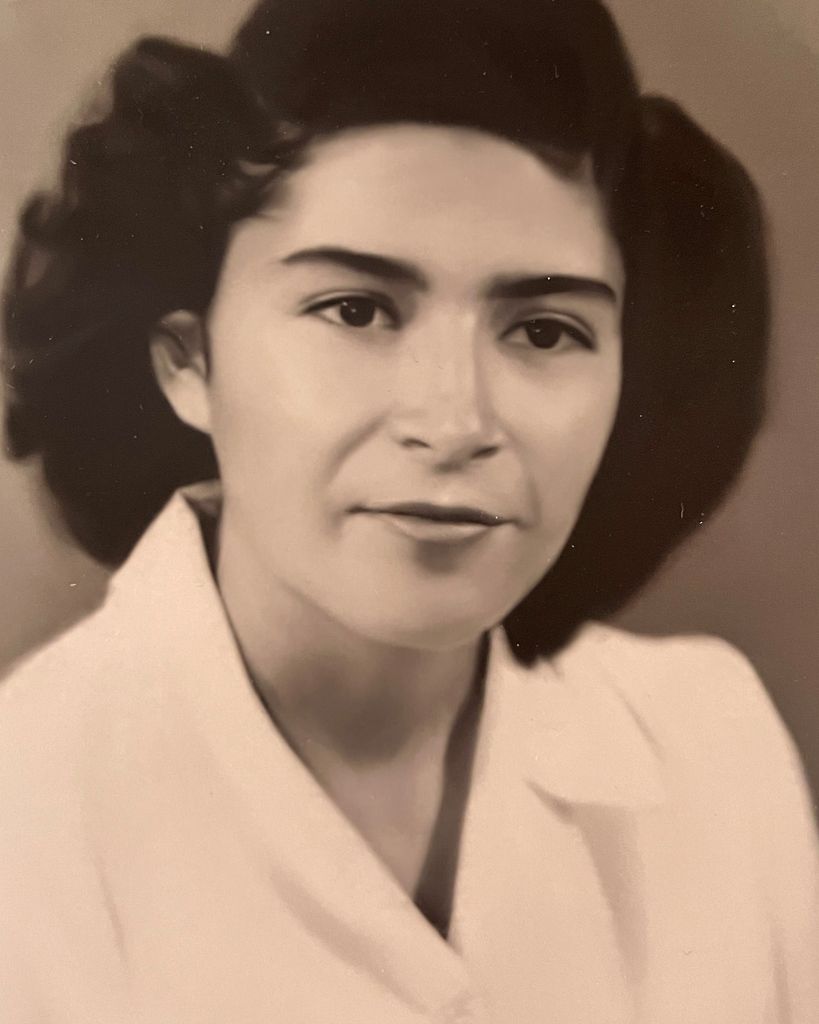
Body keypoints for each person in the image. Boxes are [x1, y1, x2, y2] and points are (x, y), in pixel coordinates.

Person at [1, 0, 817, 1021]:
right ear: (188, 361)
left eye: (545, 331)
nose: (455, 420)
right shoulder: (26, 814)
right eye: (356, 310)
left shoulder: (711, 741)